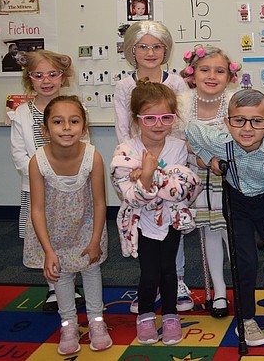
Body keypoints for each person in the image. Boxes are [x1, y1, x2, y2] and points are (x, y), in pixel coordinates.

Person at [185, 89, 264, 347]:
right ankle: (246, 318)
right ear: (227, 123)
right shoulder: (221, 141)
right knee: (244, 261)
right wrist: (209, 158)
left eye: (256, 121)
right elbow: (191, 129)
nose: (247, 128)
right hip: (237, 204)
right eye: (239, 120)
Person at [110, 81, 201, 345]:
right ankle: (146, 315)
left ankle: (171, 315)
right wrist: (154, 178)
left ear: (174, 118)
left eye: (166, 118)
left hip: (171, 219)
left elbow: (184, 188)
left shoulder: (179, 147)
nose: (158, 124)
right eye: (149, 118)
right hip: (141, 222)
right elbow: (131, 196)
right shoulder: (126, 151)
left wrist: (149, 176)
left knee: (169, 270)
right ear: (136, 119)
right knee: (150, 273)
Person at [22, 96, 111, 355]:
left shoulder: (93, 157)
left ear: (84, 127)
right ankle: (68, 323)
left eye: (74, 121)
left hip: (86, 226)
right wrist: (48, 250)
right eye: (58, 122)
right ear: (45, 129)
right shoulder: (37, 161)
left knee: (91, 270)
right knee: (60, 274)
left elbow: (99, 203)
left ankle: (96, 321)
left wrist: (95, 240)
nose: (66, 128)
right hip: (53, 230)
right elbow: (37, 209)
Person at [114, 21, 191, 312]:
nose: (150, 52)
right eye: (143, 46)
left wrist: (166, 168)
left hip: (171, 161)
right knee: (144, 226)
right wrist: (135, 166)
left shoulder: (177, 83)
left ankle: (177, 279)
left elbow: (180, 125)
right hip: (136, 166)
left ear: (166, 50)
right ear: (131, 50)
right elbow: (123, 129)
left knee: (173, 222)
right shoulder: (124, 85)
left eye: (157, 46)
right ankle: (151, 283)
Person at [9, 50, 75, 313]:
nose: (46, 80)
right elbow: (18, 154)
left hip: (69, 188)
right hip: (37, 189)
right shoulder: (21, 113)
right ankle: (53, 288)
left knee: (69, 235)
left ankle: (70, 284)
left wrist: (66, 175)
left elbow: (82, 144)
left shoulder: (73, 108)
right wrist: (40, 175)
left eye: (52, 74)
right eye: (38, 75)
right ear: (30, 79)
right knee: (44, 238)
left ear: (62, 77)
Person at [178, 45, 239, 317]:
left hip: (229, 178)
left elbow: (241, 139)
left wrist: (212, 156)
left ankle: (241, 285)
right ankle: (219, 291)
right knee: (210, 233)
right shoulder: (181, 104)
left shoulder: (235, 102)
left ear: (229, 76)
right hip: (198, 179)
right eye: (204, 70)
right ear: (192, 74)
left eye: (219, 71)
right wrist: (197, 155)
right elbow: (175, 141)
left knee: (233, 234)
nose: (212, 76)